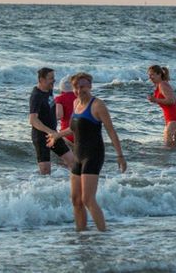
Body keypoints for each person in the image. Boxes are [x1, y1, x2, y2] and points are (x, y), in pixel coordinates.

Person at [46, 72, 126, 231]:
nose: (79, 90)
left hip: (93, 155)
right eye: (76, 86)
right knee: (76, 200)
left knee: (88, 199)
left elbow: (111, 131)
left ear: (89, 86)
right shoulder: (76, 103)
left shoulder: (98, 105)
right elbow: (73, 127)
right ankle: (81, 235)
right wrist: (57, 135)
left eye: (82, 86)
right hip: (78, 155)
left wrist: (120, 156)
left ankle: (104, 234)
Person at [29, 67, 74, 174]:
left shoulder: (49, 90)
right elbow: (33, 120)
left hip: (54, 134)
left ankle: (73, 185)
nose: (54, 80)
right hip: (41, 136)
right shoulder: (36, 96)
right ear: (41, 80)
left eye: (53, 77)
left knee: (72, 161)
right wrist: (50, 132)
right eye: (51, 78)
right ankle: (44, 189)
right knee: (45, 171)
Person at [146, 65, 176, 147]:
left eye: (152, 74)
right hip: (170, 120)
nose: (150, 77)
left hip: (174, 119)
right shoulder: (159, 86)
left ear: (159, 74)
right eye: (149, 75)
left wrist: (155, 100)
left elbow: (171, 101)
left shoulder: (162, 84)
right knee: (173, 147)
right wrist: (154, 99)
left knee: (168, 147)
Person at [55, 75, 78, 143]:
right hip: (80, 133)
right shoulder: (79, 97)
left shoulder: (60, 98)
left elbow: (59, 115)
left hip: (66, 133)